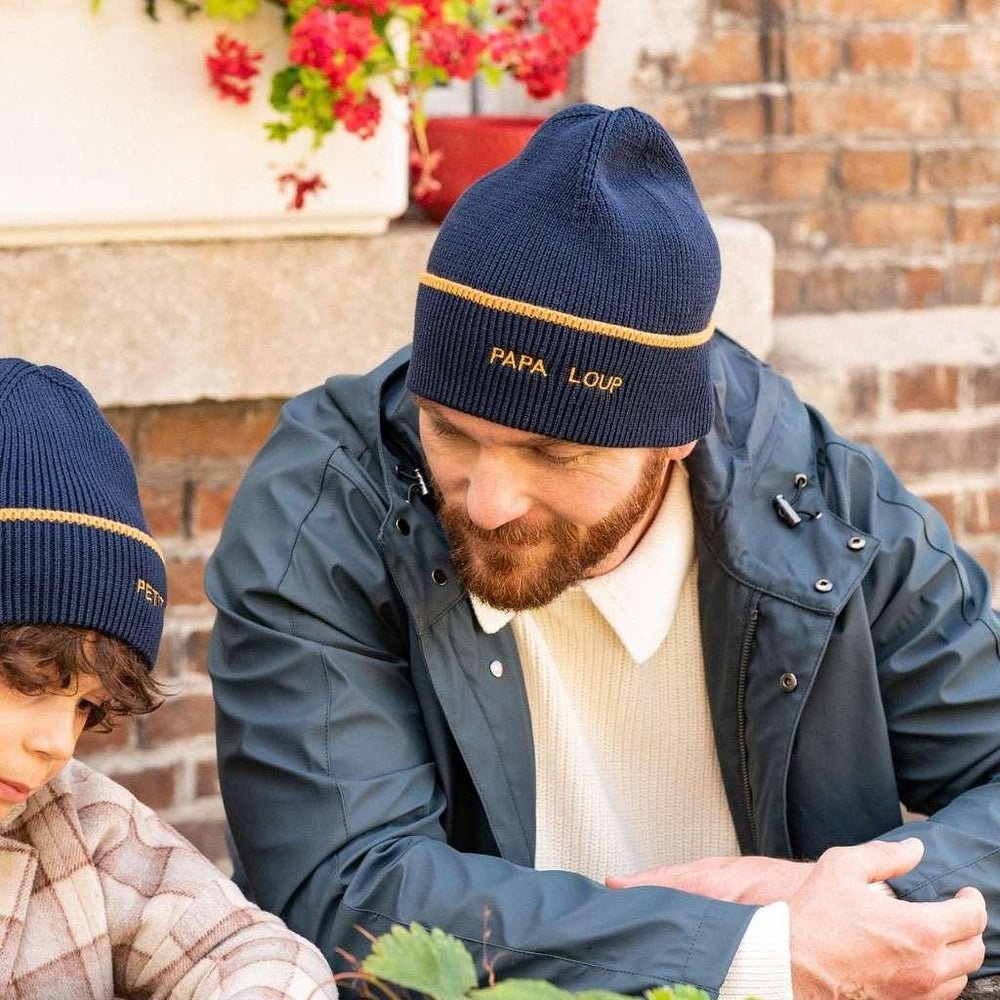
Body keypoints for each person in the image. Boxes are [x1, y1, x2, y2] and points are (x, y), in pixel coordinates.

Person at [205, 104, 998, 1000]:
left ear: (676, 439)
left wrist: (877, 915)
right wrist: (759, 953)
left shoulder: (826, 511)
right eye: (449, 430)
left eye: (554, 452)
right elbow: (343, 888)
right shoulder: (328, 506)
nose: (491, 499)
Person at [0, 358, 339, 1000]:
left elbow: (243, 949)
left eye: (84, 706)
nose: (59, 744)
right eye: (29, 680)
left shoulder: (82, 825)